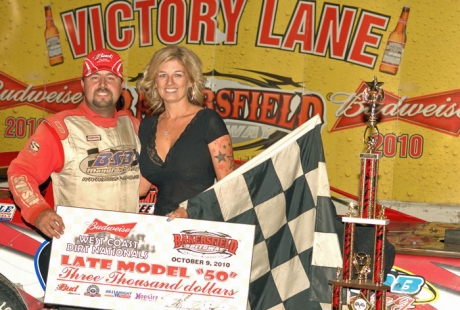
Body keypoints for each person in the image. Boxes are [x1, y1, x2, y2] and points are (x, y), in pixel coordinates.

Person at [7, 48, 141, 239]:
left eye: (110, 78)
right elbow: (20, 172)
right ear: (83, 84)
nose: (102, 84)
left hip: (127, 244)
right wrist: (38, 210)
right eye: (94, 77)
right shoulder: (59, 128)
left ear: (121, 86)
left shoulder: (134, 127)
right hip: (77, 246)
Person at [137, 46, 234, 219]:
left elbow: (229, 189)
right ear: (154, 81)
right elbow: (141, 188)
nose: (169, 82)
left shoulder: (208, 121)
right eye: (162, 75)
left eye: (178, 75)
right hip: (160, 229)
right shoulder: (147, 126)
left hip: (200, 228)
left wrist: (191, 211)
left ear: (190, 81)